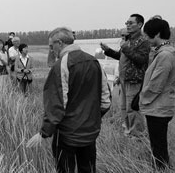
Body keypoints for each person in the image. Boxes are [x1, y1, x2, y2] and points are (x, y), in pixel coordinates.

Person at [27, 27, 111, 173]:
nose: (51, 49)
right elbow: (105, 100)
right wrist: (92, 119)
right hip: (90, 132)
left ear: (59, 43)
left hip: (67, 134)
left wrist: (44, 132)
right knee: (88, 168)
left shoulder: (61, 65)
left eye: (51, 46)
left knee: (65, 169)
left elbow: (57, 104)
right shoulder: (94, 61)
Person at [100, 14, 150, 137]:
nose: (127, 25)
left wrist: (126, 48)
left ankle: (138, 136)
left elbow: (141, 60)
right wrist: (108, 51)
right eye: (126, 23)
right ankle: (128, 133)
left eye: (131, 23)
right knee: (124, 109)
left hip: (134, 81)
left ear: (139, 25)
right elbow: (121, 57)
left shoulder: (143, 41)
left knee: (132, 109)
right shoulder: (128, 40)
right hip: (123, 80)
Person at [140, 17, 175, 170]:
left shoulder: (165, 55)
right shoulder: (163, 52)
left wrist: (143, 98)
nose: (146, 39)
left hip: (159, 107)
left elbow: (156, 84)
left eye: (148, 35)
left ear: (158, 34)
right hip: (159, 105)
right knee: (157, 144)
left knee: (159, 147)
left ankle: (161, 169)